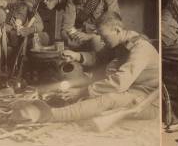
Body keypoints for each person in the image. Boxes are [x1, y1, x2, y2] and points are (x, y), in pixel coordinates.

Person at [13, 12, 159, 122]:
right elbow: (98, 58)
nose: (101, 40)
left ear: (117, 30)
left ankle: (52, 115)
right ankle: (52, 104)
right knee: (84, 85)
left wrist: (83, 92)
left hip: (148, 99)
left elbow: (119, 83)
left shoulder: (140, 48)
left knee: (108, 99)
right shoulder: (121, 43)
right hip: (130, 90)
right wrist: (76, 56)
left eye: (104, 36)